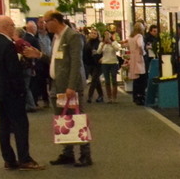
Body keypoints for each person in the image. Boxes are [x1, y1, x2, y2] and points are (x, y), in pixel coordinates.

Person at [0, 16, 44, 171]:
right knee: (20, 125)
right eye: (12, 26)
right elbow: (13, 71)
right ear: (6, 27)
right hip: (12, 92)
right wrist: (21, 90)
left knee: (3, 125)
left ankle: (9, 159)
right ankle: (25, 159)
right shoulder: (8, 45)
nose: (14, 28)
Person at [43, 11, 91, 168]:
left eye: (46, 21)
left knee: (78, 118)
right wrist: (40, 56)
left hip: (70, 86)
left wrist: (71, 86)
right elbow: (56, 61)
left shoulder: (72, 36)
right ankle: (68, 152)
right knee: (63, 119)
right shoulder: (56, 38)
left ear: (55, 20)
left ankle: (85, 154)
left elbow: (76, 63)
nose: (45, 25)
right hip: (57, 84)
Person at [99, 28, 121, 102]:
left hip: (113, 63)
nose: (107, 35)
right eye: (105, 34)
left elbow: (117, 49)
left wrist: (111, 43)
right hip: (105, 63)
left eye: (108, 34)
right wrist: (103, 45)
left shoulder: (114, 42)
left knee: (114, 80)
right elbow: (98, 52)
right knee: (107, 81)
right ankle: (109, 97)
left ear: (110, 35)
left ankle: (114, 97)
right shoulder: (101, 43)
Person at [83, 27, 105, 103]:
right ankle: (101, 96)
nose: (93, 34)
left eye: (95, 33)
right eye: (92, 33)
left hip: (98, 64)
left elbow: (102, 52)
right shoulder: (87, 42)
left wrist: (102, 58)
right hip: (90, 64)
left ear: (97, 35)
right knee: (96, 81)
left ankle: (90, 96)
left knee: (94, 80)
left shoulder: (99, 43)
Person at [126, 23, 147, 104]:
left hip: (133, 58)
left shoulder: (131, 37)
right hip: (138, 57)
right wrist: (142, 52)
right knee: (141, 78)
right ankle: (140, 96)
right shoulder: (139, 36)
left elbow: (128, 46)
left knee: (135, 79)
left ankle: (135, 96)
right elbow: (140, 44)